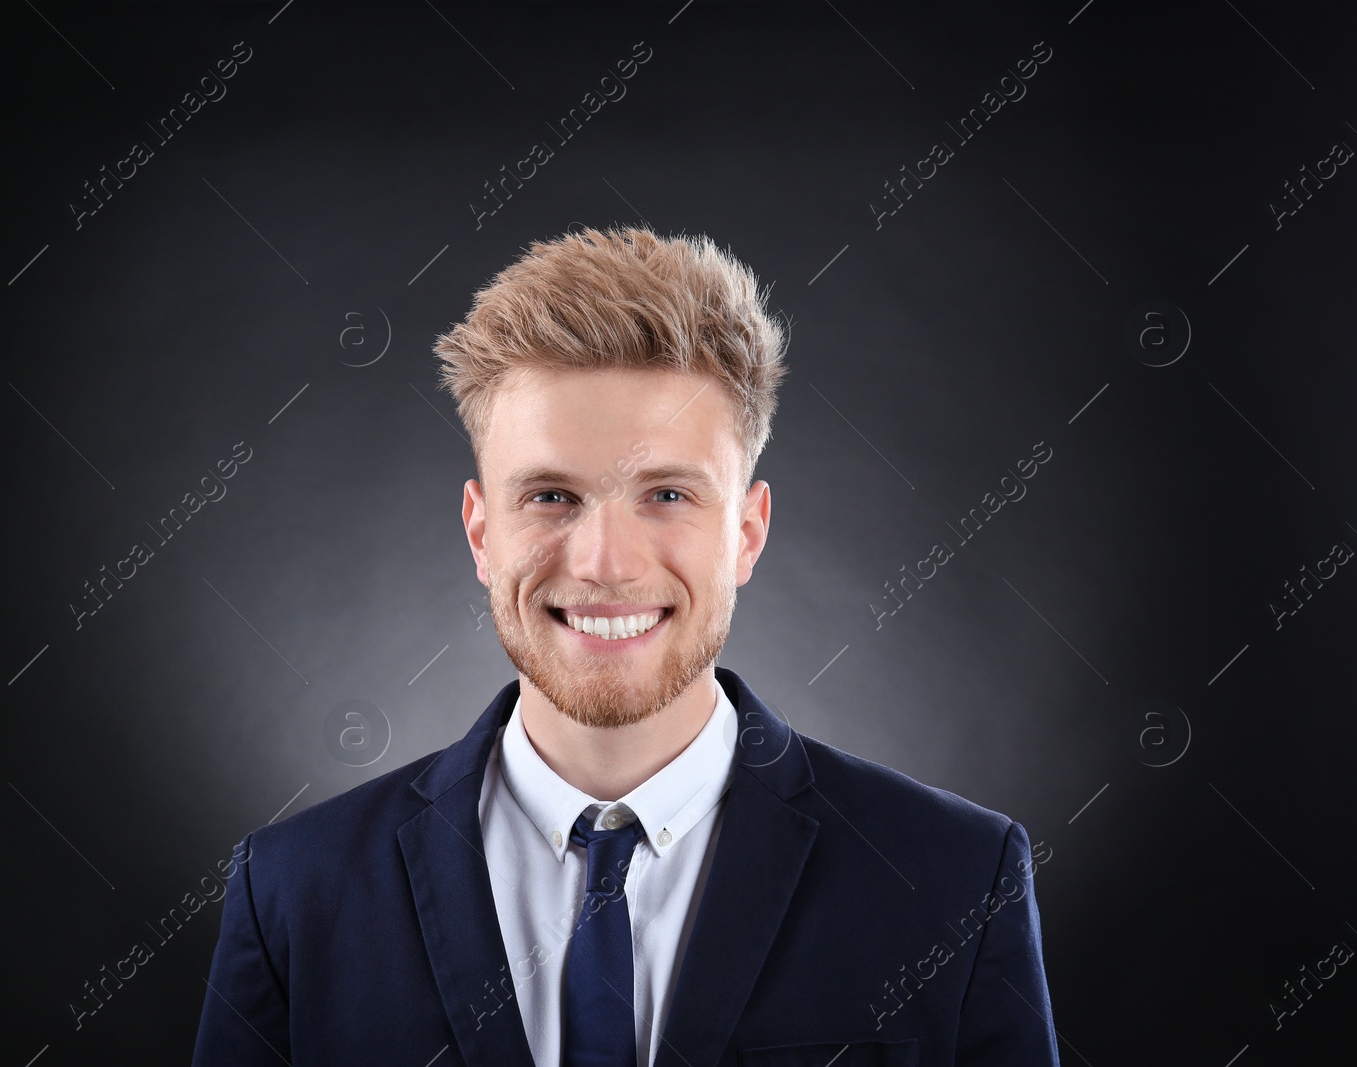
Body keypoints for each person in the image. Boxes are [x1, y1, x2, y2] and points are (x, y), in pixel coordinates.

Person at [192, 226, 1060, 1065]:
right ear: (480, 532)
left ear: (748, 533)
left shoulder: (954, 884)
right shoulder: (292, 895)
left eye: (669, 494)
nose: (605, 563)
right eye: (552, 496)